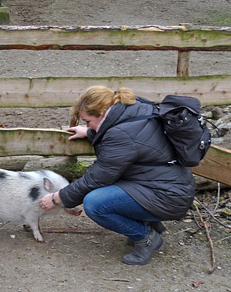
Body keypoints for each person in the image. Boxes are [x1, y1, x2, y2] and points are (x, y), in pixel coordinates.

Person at [39, 86, 195, 266]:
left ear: (103, 112)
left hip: (167, 196)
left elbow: (97, 178)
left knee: (95, 203)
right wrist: (90, 132)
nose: (87, 125)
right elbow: (132, 141)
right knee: (108, 193)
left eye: (88, 121)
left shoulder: (121, 134)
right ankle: (149, 222)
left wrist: (58, 198)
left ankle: (147, 238)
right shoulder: (133, 110)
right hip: (168, 186)